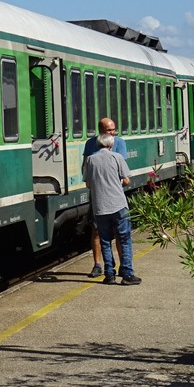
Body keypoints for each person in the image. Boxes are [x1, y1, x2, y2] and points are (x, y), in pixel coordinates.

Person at [83, 131, 141, 285]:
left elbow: (88, 184)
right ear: (111, 144)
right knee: (124, 239)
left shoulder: (90, 160)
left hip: (100, 206)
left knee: (105, 241)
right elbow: (126, 180)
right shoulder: (117, 157)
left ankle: (109, 275)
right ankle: (127, 274)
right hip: (118, 204)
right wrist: (115, 183)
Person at [83, 117, 127, 278]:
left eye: (114, 129)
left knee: (118, 232)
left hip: (114, 195)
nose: (113, 132)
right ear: (101, 131)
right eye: (109, 130)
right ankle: (97, 265)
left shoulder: (119, 143)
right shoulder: (90, 144)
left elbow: (122, 170)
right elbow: (85, 168)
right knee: (96, 231)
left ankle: (122, 266)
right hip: (98, 196)